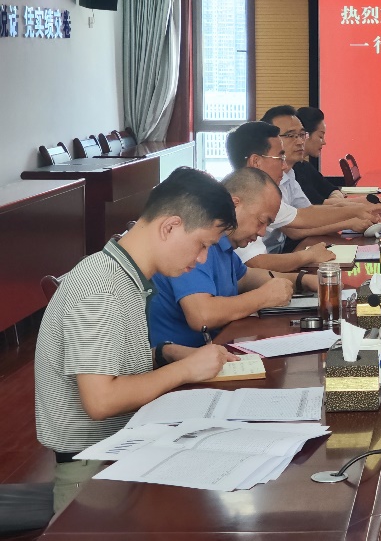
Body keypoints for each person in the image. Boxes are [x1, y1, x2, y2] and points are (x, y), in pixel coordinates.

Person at [35, 167, 239, 512]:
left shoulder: (122, 273)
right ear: (170, 227)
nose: (202, 258)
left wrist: (166, 353)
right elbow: (101, 401)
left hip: (123, 446)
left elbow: (113, 358)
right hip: (93, 468)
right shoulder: (102, 288)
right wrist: (185, 371)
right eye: (202, 245)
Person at [149, 167, 320, 348]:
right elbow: (202, 315)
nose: (262, 233)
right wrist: (263, 297)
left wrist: (302, 280)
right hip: (184, 358)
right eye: (261, 221)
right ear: (235, 205)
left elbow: (245, 277)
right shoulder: (197, 243)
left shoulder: (225, 243)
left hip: (216, 348)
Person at [225, 121, 359, 270]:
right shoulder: (247, 198)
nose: (284, 166)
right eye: (280, 158)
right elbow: (256, 265)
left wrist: (356, 213)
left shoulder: (266, 190)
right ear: (256, 161)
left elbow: (307, 213)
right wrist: (308, 258)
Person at [294, 106, 345, 203]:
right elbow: (318, 205)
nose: (324, 142)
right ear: (305, 135)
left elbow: (332, 190)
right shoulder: (292, 171)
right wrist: (334, 202)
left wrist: (334, 199)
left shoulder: (306, 167)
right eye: (320, 136)